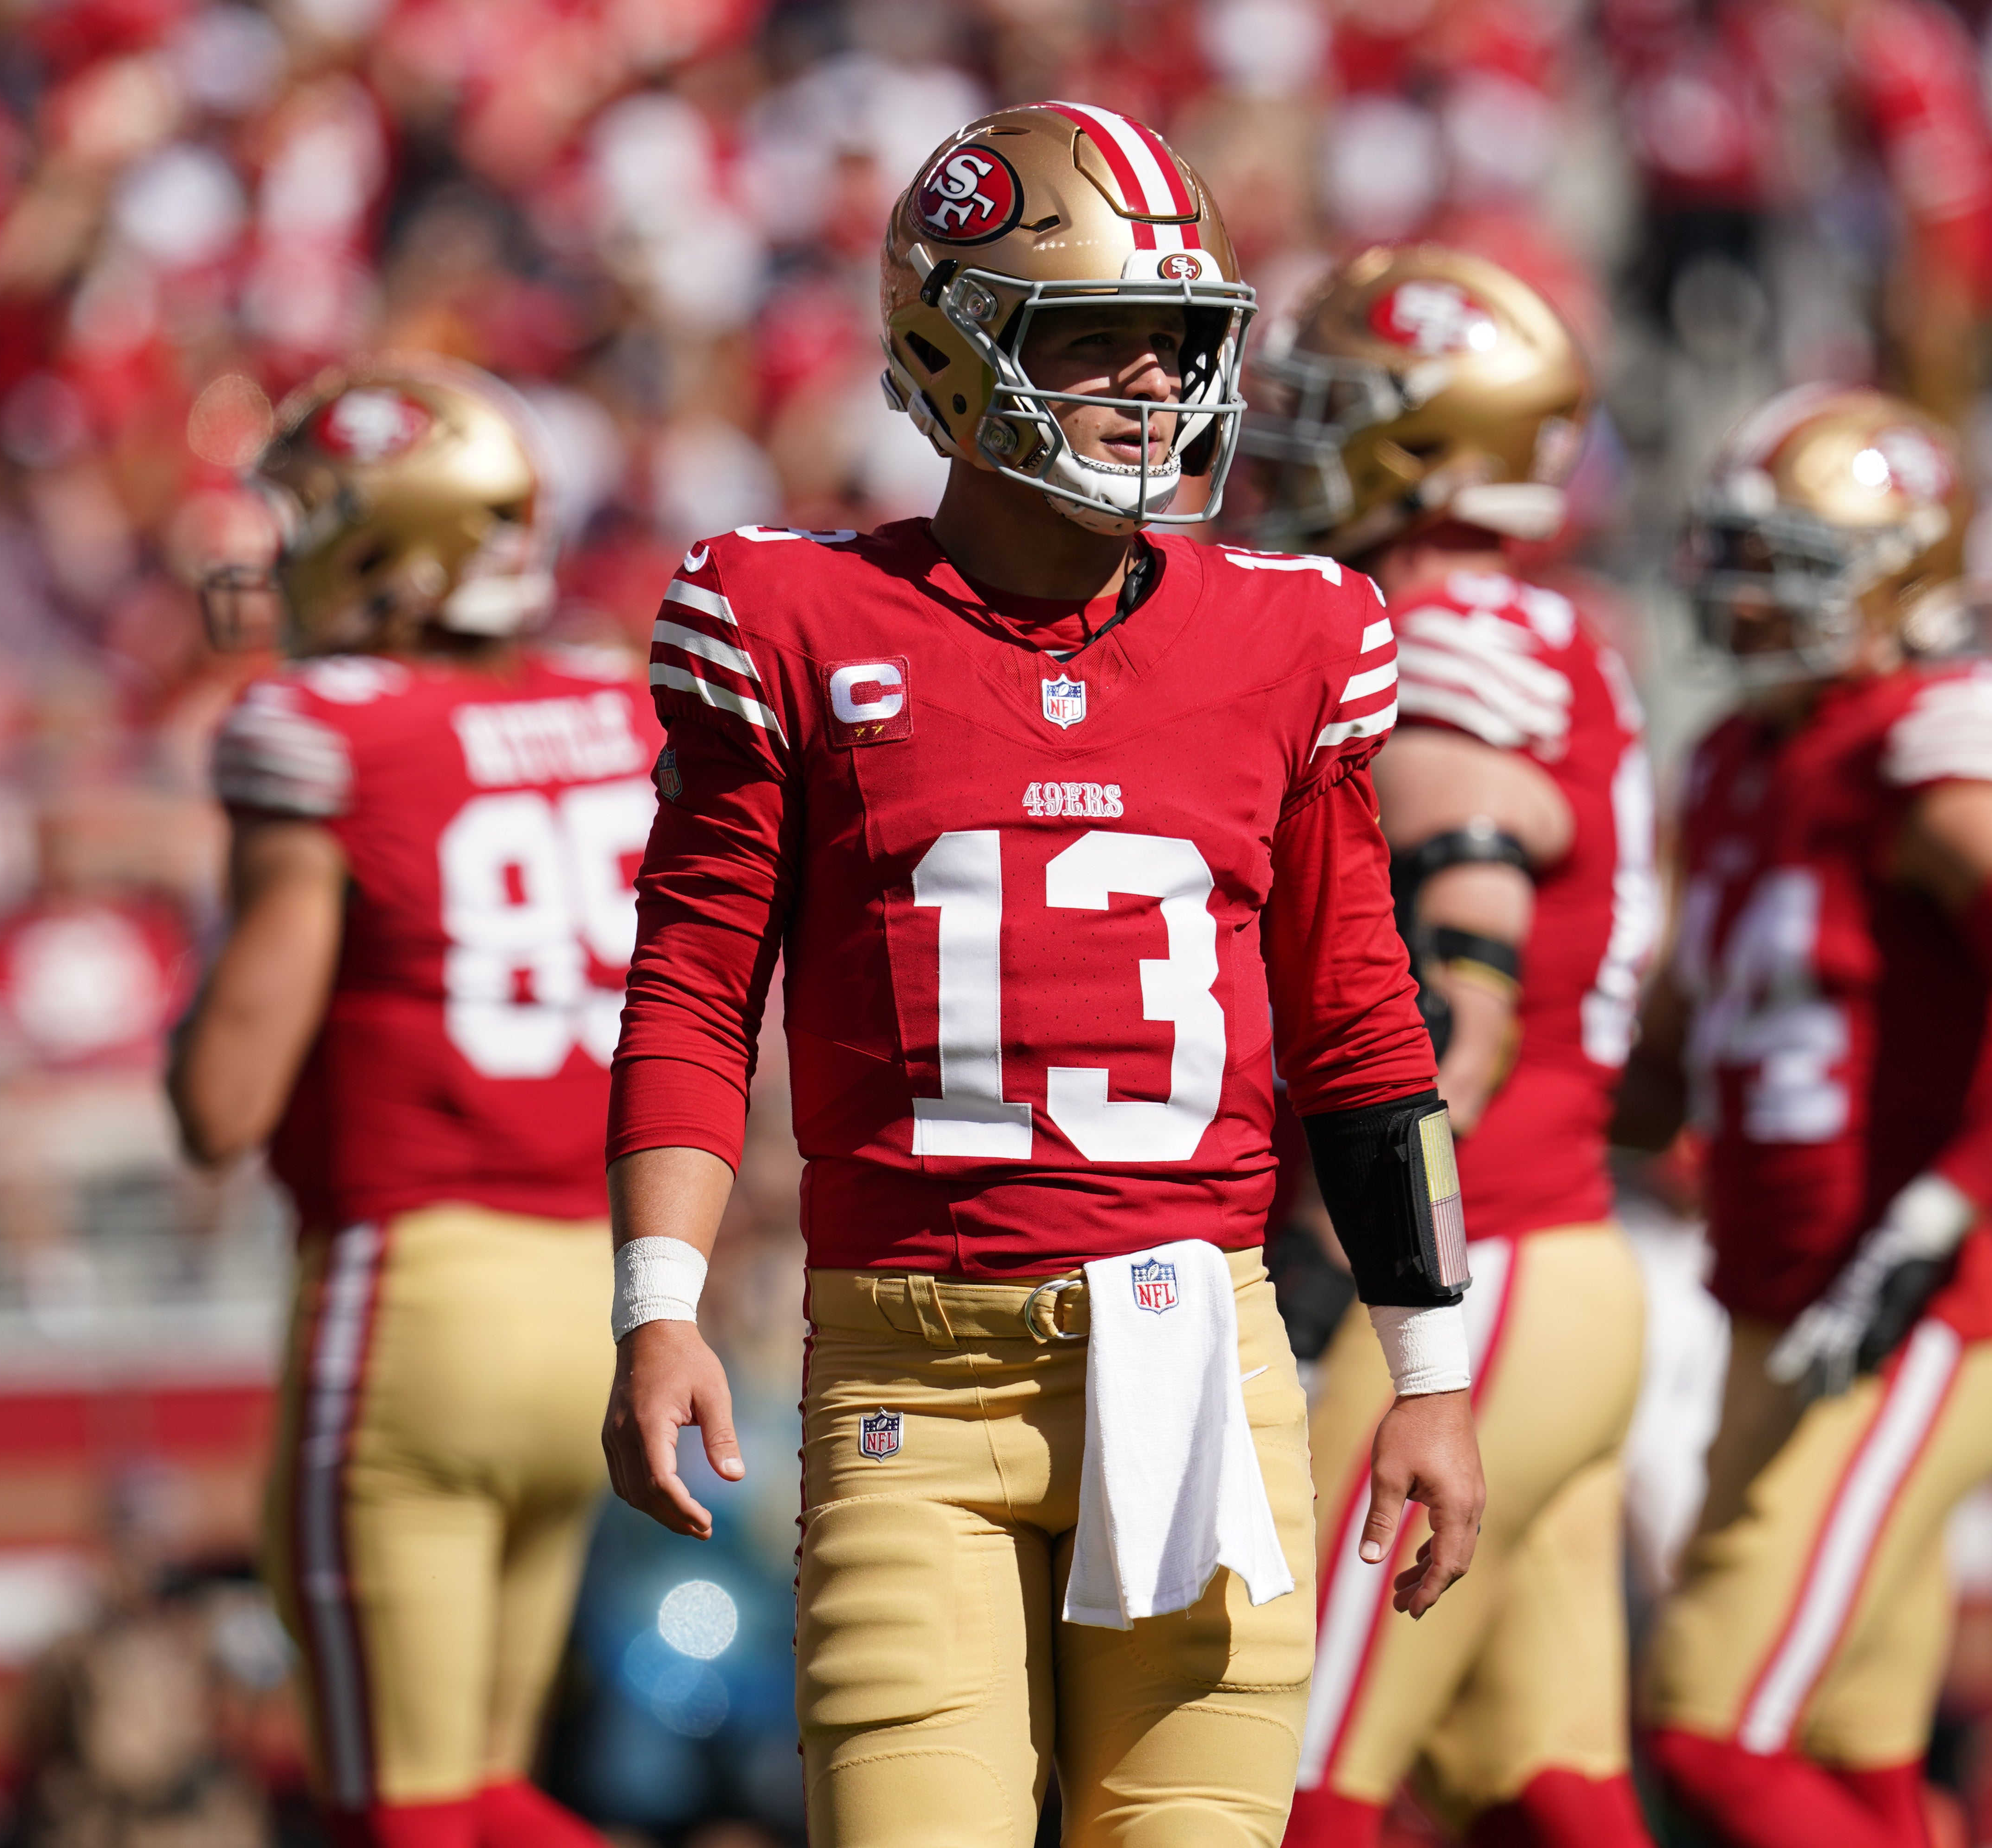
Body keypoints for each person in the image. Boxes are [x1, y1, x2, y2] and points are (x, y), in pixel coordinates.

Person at [596, 102, 1486, 1848]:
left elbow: (1363, 1030)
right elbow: (697, 990)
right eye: (1092, 343)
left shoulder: (1298, 632)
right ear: (949, 345)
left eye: (1179, 346)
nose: (1152, 389)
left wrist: (1432, 1372)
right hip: (914, 1382)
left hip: (1200, 1359)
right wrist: (655, 1301)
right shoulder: (789, 619)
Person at [1613, 386, 1992, 1848]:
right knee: (1860, 1763)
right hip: (1766, 1311)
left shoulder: (1928, 755)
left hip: (1900, 1320)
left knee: (1707, 1728)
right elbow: (1670, 1051)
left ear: (1894, 579)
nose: (1742, 597)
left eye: (1783, 563)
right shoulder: (1733, 764)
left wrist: (1933, 1217)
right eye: (1735, 557)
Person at [168, 358, 654, 1848]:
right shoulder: (611, 706)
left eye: (314, 519)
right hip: (598, 1299)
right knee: (489, 1795)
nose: (275, 558)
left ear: (394, 541)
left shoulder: (327, 731)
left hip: (417, 1298)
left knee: (403, 1811)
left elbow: (225, 1099)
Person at [1239, 245, 1659, 1848]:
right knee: (1541, 1790)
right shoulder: (1552, 625)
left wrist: (1327, 1242)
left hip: (1478, 1267)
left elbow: (1457, 1015)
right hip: (1568, 1268)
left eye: (1325, 414)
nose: (1283, 449)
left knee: (1290, 1775)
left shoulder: (1450, 633)